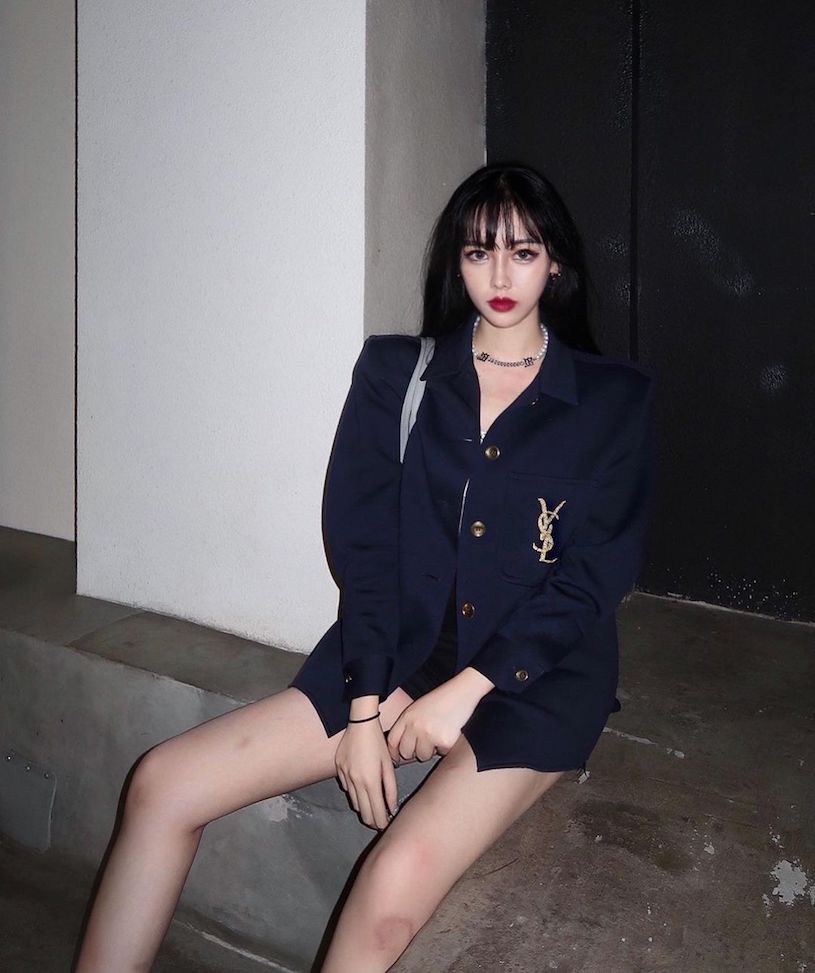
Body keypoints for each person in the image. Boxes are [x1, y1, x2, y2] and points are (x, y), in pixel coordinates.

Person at [74, 162, 655, 972]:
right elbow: (367, 547)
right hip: (402, 651)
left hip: (538, 677)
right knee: (162, 783)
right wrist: (363, 709)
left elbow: (593, 573)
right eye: (478, 252)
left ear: (555, 262)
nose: (498, 277)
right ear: (454, 261)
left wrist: (467, 689)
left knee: (388, 894)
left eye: (522, 253)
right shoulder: (396, 373)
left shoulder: (612, 398)